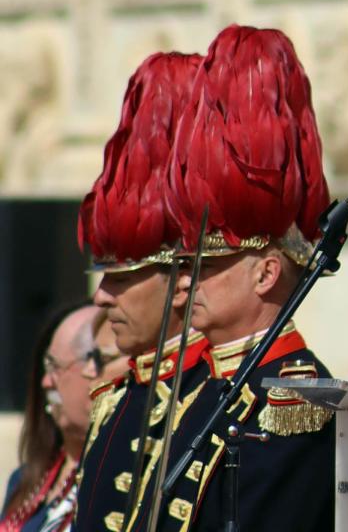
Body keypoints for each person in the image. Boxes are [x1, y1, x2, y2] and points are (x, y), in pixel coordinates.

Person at [149, 25, 335, 531]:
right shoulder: (202, 386)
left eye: (205, 267)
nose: (185, 284)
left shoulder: (294, 401)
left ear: (266, 273)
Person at [73, 51, 211, 532]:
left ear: (181, 281)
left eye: (123, 278)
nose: (101, 297)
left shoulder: (221, 400)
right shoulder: (115, 400)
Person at [2, 302, 97, 532]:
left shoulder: (113, 481)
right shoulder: (26, 480)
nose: (46, 382)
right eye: (46, 367)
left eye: (56, 367)